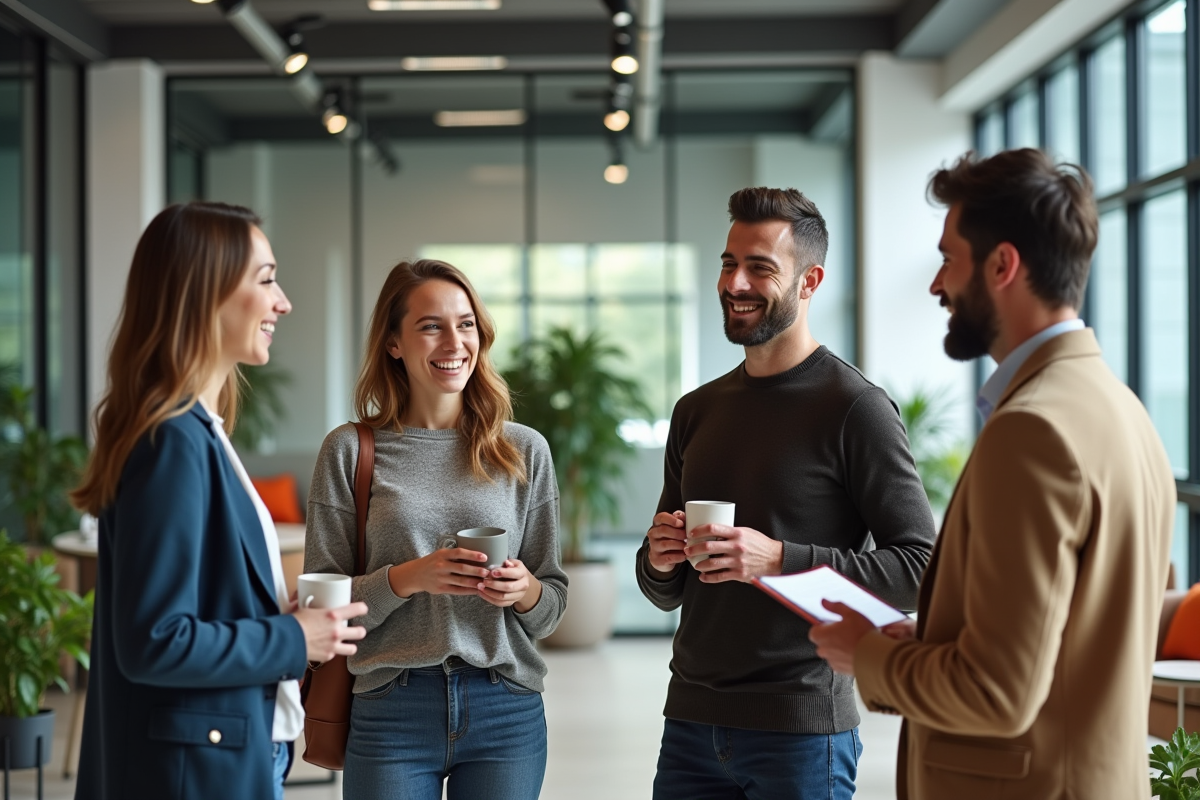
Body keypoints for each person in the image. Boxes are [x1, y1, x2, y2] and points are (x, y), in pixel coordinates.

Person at [810, 149, 1177, 799]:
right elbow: (1077, 638)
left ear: (1002, 265)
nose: (935, 285)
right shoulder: (1121, 410)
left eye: (949, 258)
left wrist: (866, 654)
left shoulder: (1032, 432)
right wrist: (939, 635)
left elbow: (998, 693)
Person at [636, 187, 937, 799]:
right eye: (728, 262)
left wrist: (777, 560)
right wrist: (660, 559)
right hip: (690, 724)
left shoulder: (856, 409)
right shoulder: (695, 410)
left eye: (760, 267)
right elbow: (663, 592)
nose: (736, 282)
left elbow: (921, 568)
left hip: (800, 731)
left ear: (810, 281)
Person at [70, 201, 368, 800]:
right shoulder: (173, 441)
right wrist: (293, 640)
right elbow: (155, 639)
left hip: (222, 755)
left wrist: (274, 614)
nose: (282, 302)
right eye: (265, 280)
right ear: (204, 294)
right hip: (191, 775)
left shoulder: (198, 430)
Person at [304, 258, 568, 800]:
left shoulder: (523, 450)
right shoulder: (350, 450)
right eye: (431, 326)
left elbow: (552, 604)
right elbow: (321, 607)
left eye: (466, 323)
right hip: (390, 707)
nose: (454, 341)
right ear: (394, 343)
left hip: (506, 705)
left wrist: (525, 592)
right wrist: (406, 579)